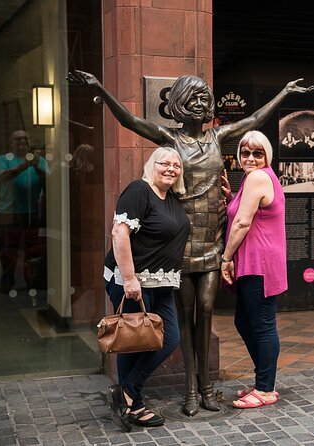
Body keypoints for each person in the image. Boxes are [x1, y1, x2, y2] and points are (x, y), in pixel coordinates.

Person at [68, 69, 314, 415]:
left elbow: (256, 118)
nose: (201, 104)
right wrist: (102, 89)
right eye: (193, 98)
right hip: (181, 246)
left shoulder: (218, 138)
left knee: (206, 310)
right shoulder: (170, 141)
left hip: (212, 242)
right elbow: (130, 121)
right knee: (184, 315)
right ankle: (189, 389)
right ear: (180, 104)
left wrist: (286, 92)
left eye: (205, 98)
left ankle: (207, 388)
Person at [104, 146, 190, 432]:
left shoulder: (173, 199)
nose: (170, 168)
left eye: (176, 165)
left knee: (168, 338)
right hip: (132, 282)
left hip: (162, 282)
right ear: (151, 165)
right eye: (163, 163)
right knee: (134, 340)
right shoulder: (140, 190)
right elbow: (119, 232)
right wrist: (129, 279)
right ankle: (133, 402)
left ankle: (126, 393)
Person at [220, 130, 287, 409]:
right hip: (256, 261)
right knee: (245, 322)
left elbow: (242, 223)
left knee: (262, 325)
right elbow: (251, 211)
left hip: (259, 263)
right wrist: (231, 196)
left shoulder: (258, 177)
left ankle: (266, 388)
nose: (250, 158)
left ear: (266, 155)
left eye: (257, 153)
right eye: (245, 152)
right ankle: (264, 379)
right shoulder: (255, 178)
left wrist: (225, 258)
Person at [0, 130, 49, 293]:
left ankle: (32, 281)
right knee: (9, 250)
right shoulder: (3, 159)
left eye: (25, 138)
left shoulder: (40, 161)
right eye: (17, 139)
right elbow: (3, 177)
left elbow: (51, 181)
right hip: (10, 213)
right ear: (11, 143)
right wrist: (24, 165)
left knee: (32, 249)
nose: (22, 141)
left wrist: (37, 166)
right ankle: (7, 283)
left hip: (33, 213)